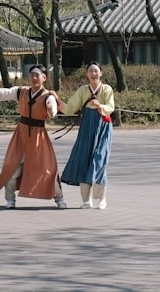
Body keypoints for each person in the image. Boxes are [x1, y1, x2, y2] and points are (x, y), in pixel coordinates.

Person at [0, 65, 66, 209]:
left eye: (37, 75)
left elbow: (52, 108)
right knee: (11, 167)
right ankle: (10, 200)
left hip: (39, 136)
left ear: (44, 78)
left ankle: (59, 198)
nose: (34, 77)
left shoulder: (48, 96)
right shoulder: (21, 92)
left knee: (48, 169)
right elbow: (3, 93)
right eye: (32, 74)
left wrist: (51, 109)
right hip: (21, 134)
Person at [60, 62, 115, 209]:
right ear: (87, 74)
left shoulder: (106, 89)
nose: (93, 73)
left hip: (102, 126)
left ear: (101, 73)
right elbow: (70, 108)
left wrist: (100, 106)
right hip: (86, 127)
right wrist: (57, 101)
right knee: (83, 159)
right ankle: (86, 200)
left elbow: (111, 107)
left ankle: (102, 198)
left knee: (99, 159)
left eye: (96, 71)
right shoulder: (83, 91)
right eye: (90, 71)